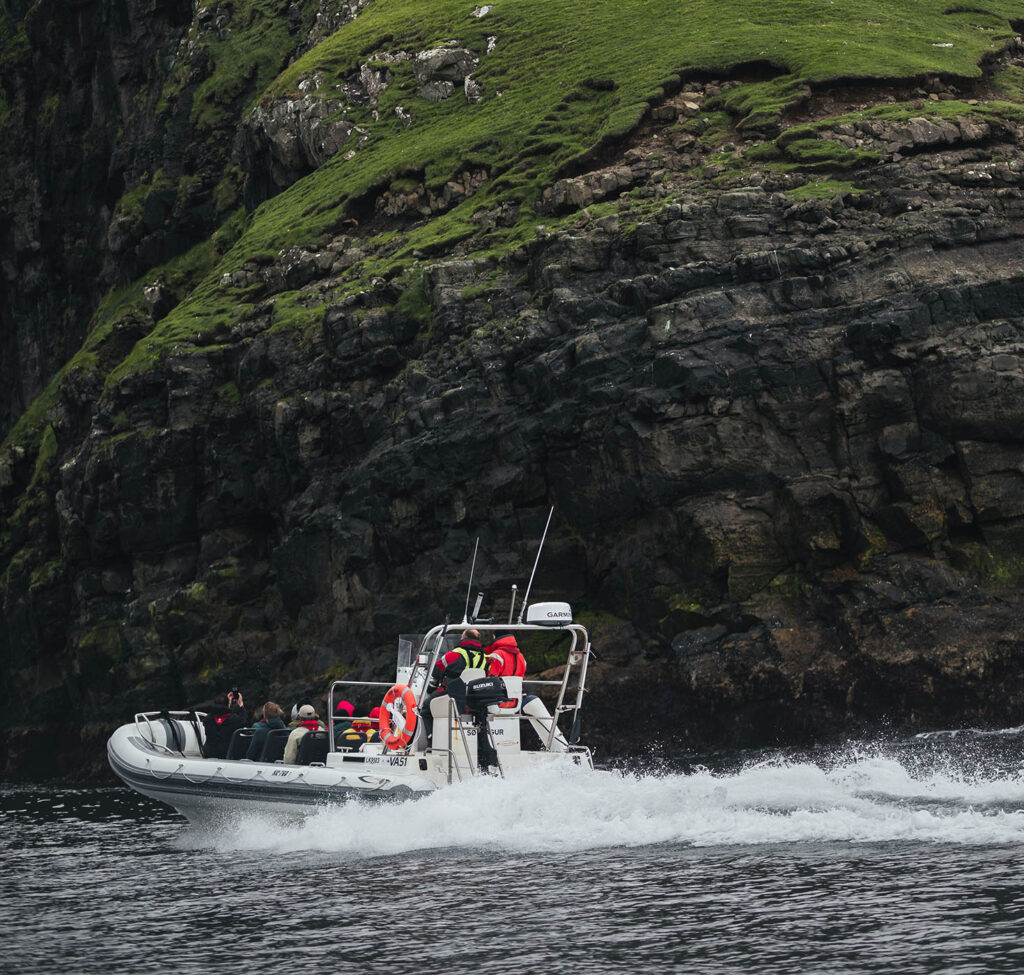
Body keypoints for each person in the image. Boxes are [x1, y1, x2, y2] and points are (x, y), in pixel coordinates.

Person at [420, 629, 489, 742]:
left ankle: (432, 741)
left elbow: (438, 669)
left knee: (426, 708)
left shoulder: (455, 654)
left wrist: (432, 686)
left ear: (464, 638)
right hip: (473, 698)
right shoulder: (484, 657)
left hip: (451, 694)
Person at [201, 688, 248, 758]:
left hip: (209, 753)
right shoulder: (233, 720)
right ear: (227, 705)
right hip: (226, 753)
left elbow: (214, 713)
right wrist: (241, 705)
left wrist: (227, 702)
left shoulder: (208, 719)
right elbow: (243, 720)